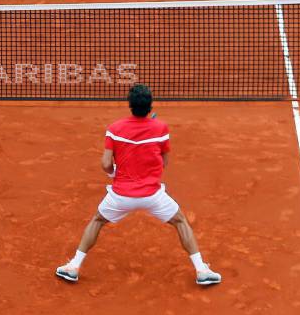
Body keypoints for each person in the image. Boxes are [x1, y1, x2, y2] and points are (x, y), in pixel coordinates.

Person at [55, 84, 221, 285]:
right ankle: (202, 270)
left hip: (120, 196)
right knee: (180, 222)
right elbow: (164, 162)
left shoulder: (114, 129)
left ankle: (73, 266)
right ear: (150, 106)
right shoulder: (161, 129)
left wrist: (115, 173)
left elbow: (106, 164)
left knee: (97, 221)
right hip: (152, 196)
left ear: (130, 105)